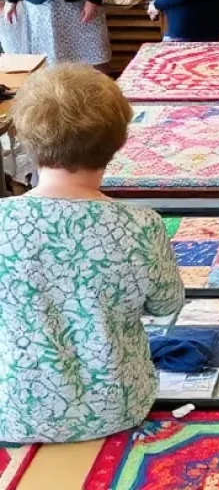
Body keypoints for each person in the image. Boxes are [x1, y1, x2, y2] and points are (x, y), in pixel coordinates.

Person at [0, 65, 186, 444]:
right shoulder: (140, 225)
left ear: (24, 136)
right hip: (118, 406)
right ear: (118, 141)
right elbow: (167, 304)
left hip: (14, 411)